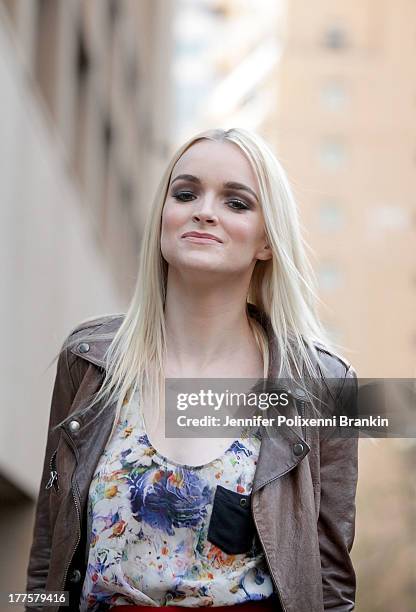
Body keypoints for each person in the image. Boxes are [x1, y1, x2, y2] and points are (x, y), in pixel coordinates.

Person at [25, 128, 359, 612]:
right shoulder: (89, 361)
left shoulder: (325, 385)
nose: (204, 210)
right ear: (163, 216)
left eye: (237, 202)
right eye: (186, 193)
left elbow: (329, 586)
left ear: (267, 241)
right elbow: (45, 563)